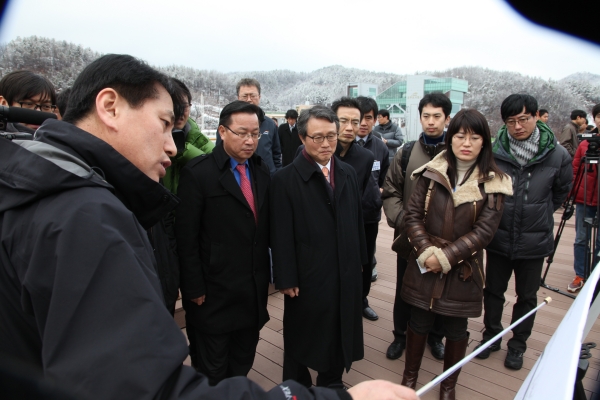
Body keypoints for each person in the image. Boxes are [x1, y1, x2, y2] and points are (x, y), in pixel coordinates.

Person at [0, 53, 418, 400]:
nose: (171, 144)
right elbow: (148, 387)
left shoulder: (42, 185)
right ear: (109, 106)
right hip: (214, 296)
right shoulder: (81, 214)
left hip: (251, 293)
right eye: (165, 124)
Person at [400, 109, 512, 400]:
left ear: (484, 142)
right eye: (461, 135)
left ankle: (448, 386)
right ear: (451, 138)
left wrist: (446, 257)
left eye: (475, 137)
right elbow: (412, 215)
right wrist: (427, 252)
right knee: (419, 320)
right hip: (425, 261)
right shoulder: (431, 172)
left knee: (456, 327)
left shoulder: (494, 182)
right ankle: (408, 380)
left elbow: (484, 232)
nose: (467, 142)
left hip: (464, 268)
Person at [271, 105, 367, 390]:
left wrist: (362, 260)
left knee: (340, 324)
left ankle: (332, 380)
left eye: (332, 136)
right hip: (308, 270)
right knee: (302, 329)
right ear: (302, 138)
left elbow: (357, 220)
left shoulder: (347, 172)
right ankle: (296, 384)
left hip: (345, 267)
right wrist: (286, 276)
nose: (326, 144)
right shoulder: (285, 179)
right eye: (318, 137)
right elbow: (280, 233)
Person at [175, 101, 271, 385]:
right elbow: (186, 236)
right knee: (211, 369)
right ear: (221, 131)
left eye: (255, 134)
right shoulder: (199, 173)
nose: (250, 140)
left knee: (242, 362)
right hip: (213, 293)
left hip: (251, 292)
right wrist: (193, 286)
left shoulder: (261, 170)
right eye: (242, 133)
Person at [476, 94, 572, 371]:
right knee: (493, 290)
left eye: (523, 119)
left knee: (527, 297)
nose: (517, 126)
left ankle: (518, 345)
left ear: (536, 117)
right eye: (510, 121)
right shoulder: (494, 151)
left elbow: (560, 193)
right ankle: (491, 337)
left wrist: (539, 212)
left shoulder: (558, 155)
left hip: (535, 239)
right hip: (498, 235)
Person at [382, 93, 453, 361]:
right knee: (405, 288)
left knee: (441, 290)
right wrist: (405, 224)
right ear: (419, 117)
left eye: (437, 116)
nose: (431, 122)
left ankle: (436, 337)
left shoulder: (456, 152)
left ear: (447, 118)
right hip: (411, 237)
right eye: (426, 116)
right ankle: (401, 335)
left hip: (445, 240)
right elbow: (391, 192)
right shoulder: (407, 152)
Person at [356, 96, 390, 321]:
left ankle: (362, 300)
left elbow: (386, 177)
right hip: (341, 217)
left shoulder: (379, 145)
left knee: (367, 260)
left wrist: (380, 192)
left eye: (368, 118)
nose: (363, 123)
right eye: (358, 118)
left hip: (369, 214)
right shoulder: (340, 145)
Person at [217, 78, 282, 175]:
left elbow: (276, 154)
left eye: (252, 96)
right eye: (245, 96)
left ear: (259, 97)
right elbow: (219, 152)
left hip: (268, 177)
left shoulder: (270, 123)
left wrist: (277, 174)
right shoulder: (228, 122)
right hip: (238, 176)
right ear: (238, 97)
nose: (249, 99)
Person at [163, 78, 214, 195]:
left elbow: (215, 173)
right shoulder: (148, 142)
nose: (180, 113)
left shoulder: (200, 142)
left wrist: (184, 151)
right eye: (175, 106)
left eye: (184, 106)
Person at [568, 103, 600, 292]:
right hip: (584, 197)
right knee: (581, 238)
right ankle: (580, 273)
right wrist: (570, 193)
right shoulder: (585, 143)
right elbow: (574, 169)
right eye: (598, 116)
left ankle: (595, 277)